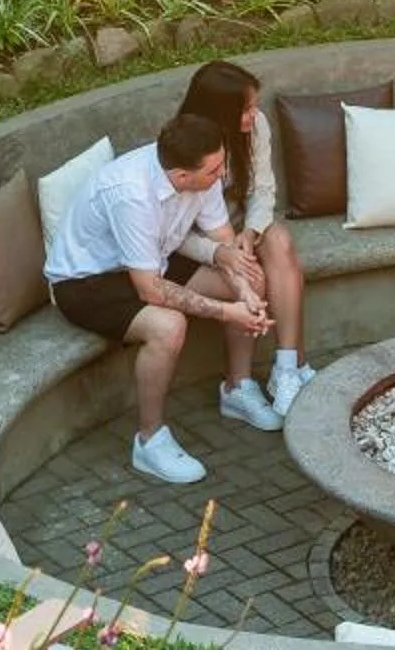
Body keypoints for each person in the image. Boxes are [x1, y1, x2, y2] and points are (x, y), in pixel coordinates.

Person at [44, 109, 274, 485]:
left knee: (250, 276)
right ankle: (149, 441)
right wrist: (228, 312)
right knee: (168, 327)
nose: (223, 175)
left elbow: (223, 241)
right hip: (87, 281)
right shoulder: (132, 195)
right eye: (214, 171)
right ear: (183, 176)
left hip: (151, 258)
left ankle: (237, 388)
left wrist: (245, 289)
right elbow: (150, 289)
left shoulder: (202, 170)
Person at [174, 59, 315, 417]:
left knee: (280, 243)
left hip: (242, 222)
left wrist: (250, 234)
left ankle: (285, 369)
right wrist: (220, 251)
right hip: (198, 240)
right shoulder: (186, 145)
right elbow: (174, 233)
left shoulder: (256, 128)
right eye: (246, 108)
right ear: (219, 113)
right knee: (250, 276)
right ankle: (237, 385)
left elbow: (263, 189)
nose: (255, 114)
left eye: (254, 105)